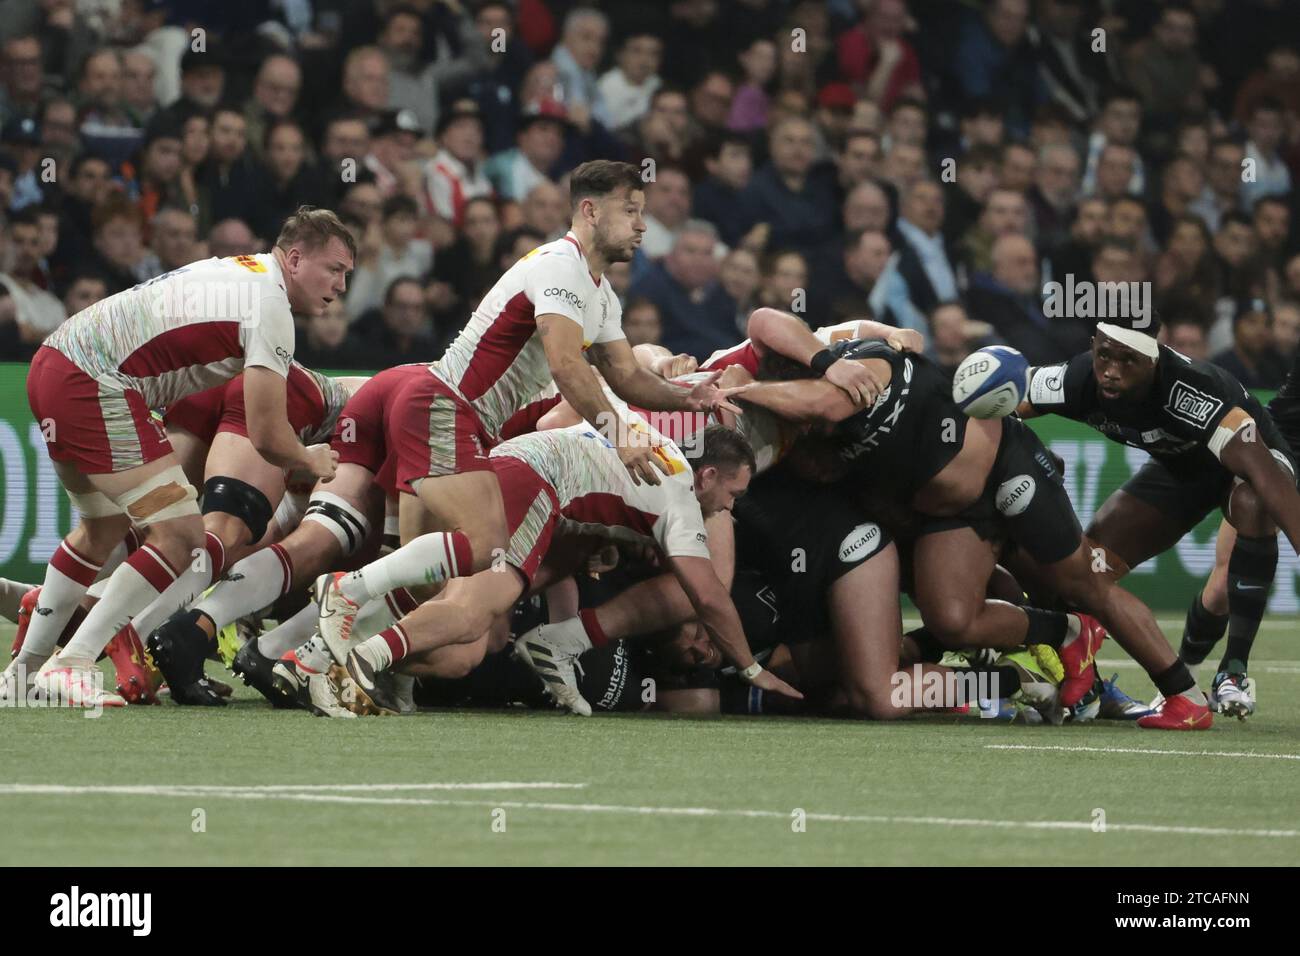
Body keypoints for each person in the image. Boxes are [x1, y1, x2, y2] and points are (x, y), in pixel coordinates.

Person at [2, 207, 351, 707]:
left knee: (102, 529)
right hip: (96, 382)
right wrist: (310, 457)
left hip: (56, 360)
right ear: (294, 259)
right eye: (334, 269)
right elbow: (268, 434)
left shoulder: (242, 270)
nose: (341, 285)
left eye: (346, 274)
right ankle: (74, 661)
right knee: (183, 535)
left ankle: (22, 673)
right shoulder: (270, 304)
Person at [1021, 319, 1300, 720]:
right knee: (1082, 572)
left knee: (1254, 502)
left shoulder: (1190, 392)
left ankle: (1234, 671)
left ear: (1153, 360)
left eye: (1128, 361)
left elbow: (1265, 474)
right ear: (1092, 346)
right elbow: (999, 400)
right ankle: (1089, 690)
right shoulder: (1076, 377)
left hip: (1255, 463)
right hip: (1182, 470)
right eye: (1104, 356)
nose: (1112, 370)